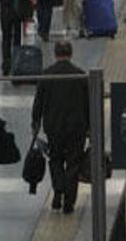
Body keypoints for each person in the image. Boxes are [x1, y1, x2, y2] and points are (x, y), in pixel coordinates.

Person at [31, 41, 89, 214]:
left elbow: (38, 102)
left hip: (53, 126)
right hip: (76, 127)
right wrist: (92, 126)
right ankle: (69, 202)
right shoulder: (80, 76)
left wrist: (35, 123)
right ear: (70, 54)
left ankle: (58, 190)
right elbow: (88, 104)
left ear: (56, 54)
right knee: (73, 163)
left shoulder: (46, 75)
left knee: (55, 159)